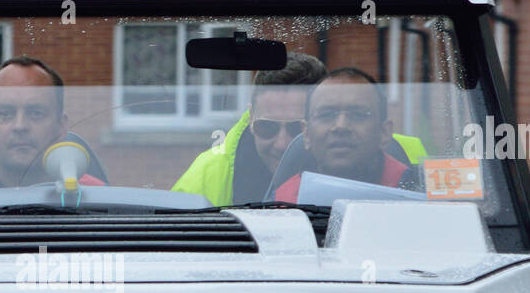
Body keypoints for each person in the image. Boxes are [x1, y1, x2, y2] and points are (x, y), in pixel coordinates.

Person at [172, 53, 327, 206]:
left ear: (322, 122)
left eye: (297, 129)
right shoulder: (207, 174)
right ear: (251, 118)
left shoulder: (348, 170)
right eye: (267, 127)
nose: (281, 144)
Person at [273, 68, 419, 203]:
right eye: (326, 115)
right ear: (306, 134)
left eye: (358, 115)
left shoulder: (418, 195)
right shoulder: (282, 205)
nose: (341, 126)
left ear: (384, 132)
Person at [0, 56, 104, 189]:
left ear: (61, 126)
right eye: (5, 114)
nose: (20, 126)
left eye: (36, 113)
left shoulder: (100, 199)